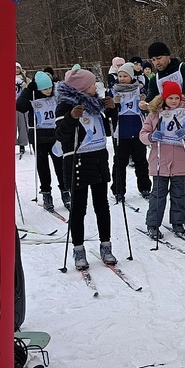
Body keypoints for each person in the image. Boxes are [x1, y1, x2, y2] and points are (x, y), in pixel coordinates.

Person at [55, 68, 118, 269]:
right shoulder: (66, 105)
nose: (95, 87)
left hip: (99, 159)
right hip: (78, 162)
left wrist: (111, 110)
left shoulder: (94, 104)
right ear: (81, 88)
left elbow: (109, 131)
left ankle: (106, 246)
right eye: (92, 84)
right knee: (79, 208)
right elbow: (61, 135)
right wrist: (70, 118)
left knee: (102, 206)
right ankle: (78, 249)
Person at [140, 80, 185, 237]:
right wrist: (151, 136)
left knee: (179, 193)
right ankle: (153, 224)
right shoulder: (154, 114)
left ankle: (178, 222)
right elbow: (143, 135)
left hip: (180, 161)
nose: (174, 101)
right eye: (170, 98)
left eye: (176, 98)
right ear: (164, 98)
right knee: (158, 194)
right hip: (160, 160)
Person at [16, 70, 67, 210]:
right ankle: (46, 193)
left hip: (55, 136)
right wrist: (27, 90)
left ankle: (65, 191)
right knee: (43, 168)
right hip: (39, 138)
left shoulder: (56, 95)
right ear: (38, 88)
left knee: (60, 165)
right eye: (45, 88)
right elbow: (19, 106)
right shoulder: (32, 97)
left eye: (50, 87)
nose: (48, 91)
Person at [108, 63, 152, 203]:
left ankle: (145, 187)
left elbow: (147, 107)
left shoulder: (139, 88)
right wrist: (113, 106)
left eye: (125, 76)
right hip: (121, 131)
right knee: (120, 162)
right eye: (120, 76)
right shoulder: (113, 90)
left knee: (141, 160)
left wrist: (145, 103)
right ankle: (118, 190)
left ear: (131, 76)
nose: (122, 79)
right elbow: (108, 111)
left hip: (137, 128)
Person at [15, 62, 30, 156]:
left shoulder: (25, 79)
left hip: (21, 105)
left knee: (23, 125)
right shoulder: (6, 77)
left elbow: (30, 88)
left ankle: (22, 145)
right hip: (11, 105)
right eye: (15, 68)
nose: (16, 70)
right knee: (12, 126)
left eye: (18, 68)